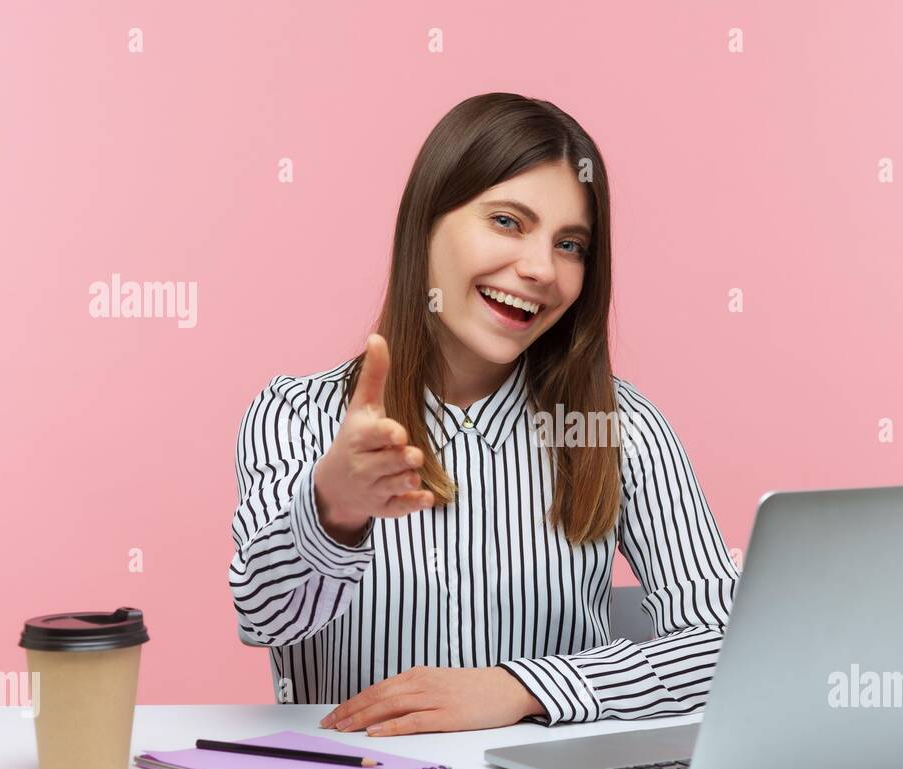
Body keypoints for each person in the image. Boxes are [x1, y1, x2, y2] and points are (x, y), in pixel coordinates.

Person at [228, 92, 739, 736]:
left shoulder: (620, 427)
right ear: (427, 223)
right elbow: (264, 616)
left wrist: (524, 687)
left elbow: (726, 640)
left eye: (571, 244)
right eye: (507, 222)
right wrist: (336, 508)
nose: (539, 269)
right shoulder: (296, 414)